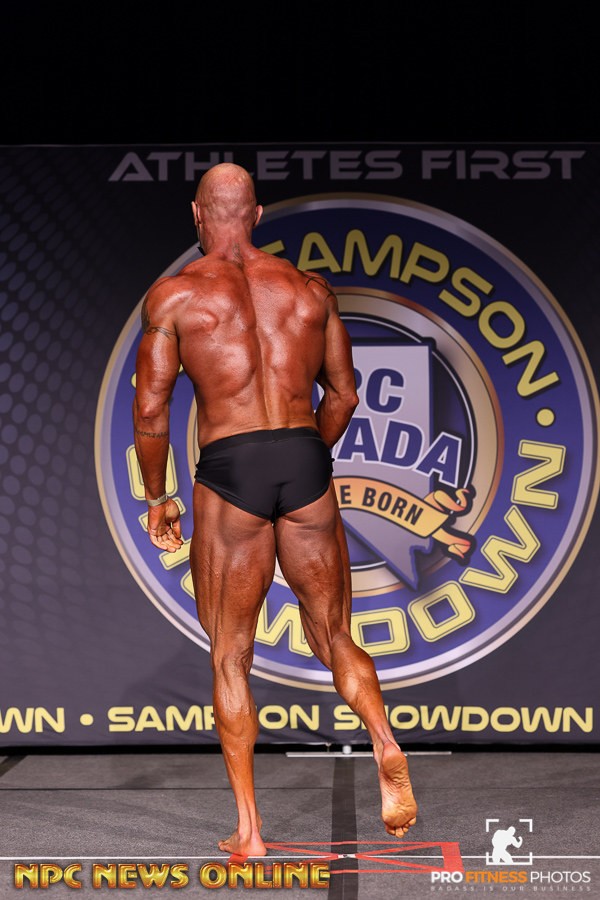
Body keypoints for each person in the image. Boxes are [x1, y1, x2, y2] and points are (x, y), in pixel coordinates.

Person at [133, 162, 417, 857]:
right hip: (303, 458)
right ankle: (383, 739)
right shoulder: (309, 291)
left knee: (231, 655)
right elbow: (344, 395)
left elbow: (150, 413)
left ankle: (251, 832)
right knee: (335, 633)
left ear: (197, 214)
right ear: (257, 215)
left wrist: (159, 497)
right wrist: (305, 456)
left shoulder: (175, 297)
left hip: (232, 468)